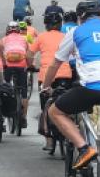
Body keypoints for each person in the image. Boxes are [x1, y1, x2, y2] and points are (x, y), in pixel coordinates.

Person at [43, 0, 100, 169]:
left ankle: (84, 149)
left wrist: (45, 86)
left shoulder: (76, 31)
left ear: (81, 17)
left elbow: (55, 63)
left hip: (92, 85)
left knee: (55, 112)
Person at [29, 12, 72, 151]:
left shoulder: (40, 37)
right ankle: (69, 133)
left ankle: (48, 141)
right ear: (60, 24)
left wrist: (30, 66)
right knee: (66, 106)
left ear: (46, 25)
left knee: (46, 108)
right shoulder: (66, 37)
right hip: (64, 75)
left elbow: (29, 55)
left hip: (45, 76)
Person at [2, 21, 32, 128]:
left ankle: (2, 117)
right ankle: (23, 117)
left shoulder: (4, 39)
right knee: (24, 91)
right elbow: (29, 55)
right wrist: (30, 66)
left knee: (4, 89)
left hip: (8, 66)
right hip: (21, 65)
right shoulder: (24, 38)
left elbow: (1, 54)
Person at [61, 11, 78, 81]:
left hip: (63, 62)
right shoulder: (80, 28)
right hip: (77, 62)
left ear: (64, 20)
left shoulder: (60, 28)